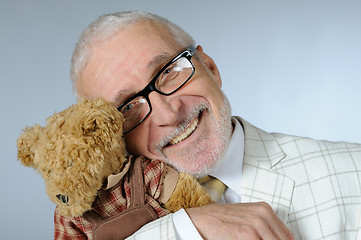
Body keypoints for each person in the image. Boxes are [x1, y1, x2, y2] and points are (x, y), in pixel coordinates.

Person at [62, 11, 361, 239]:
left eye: (169, 71)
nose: (168, 113)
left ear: (210, 67)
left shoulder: (355, 171)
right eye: (128, 106)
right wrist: (186, 229)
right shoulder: (98, 216)